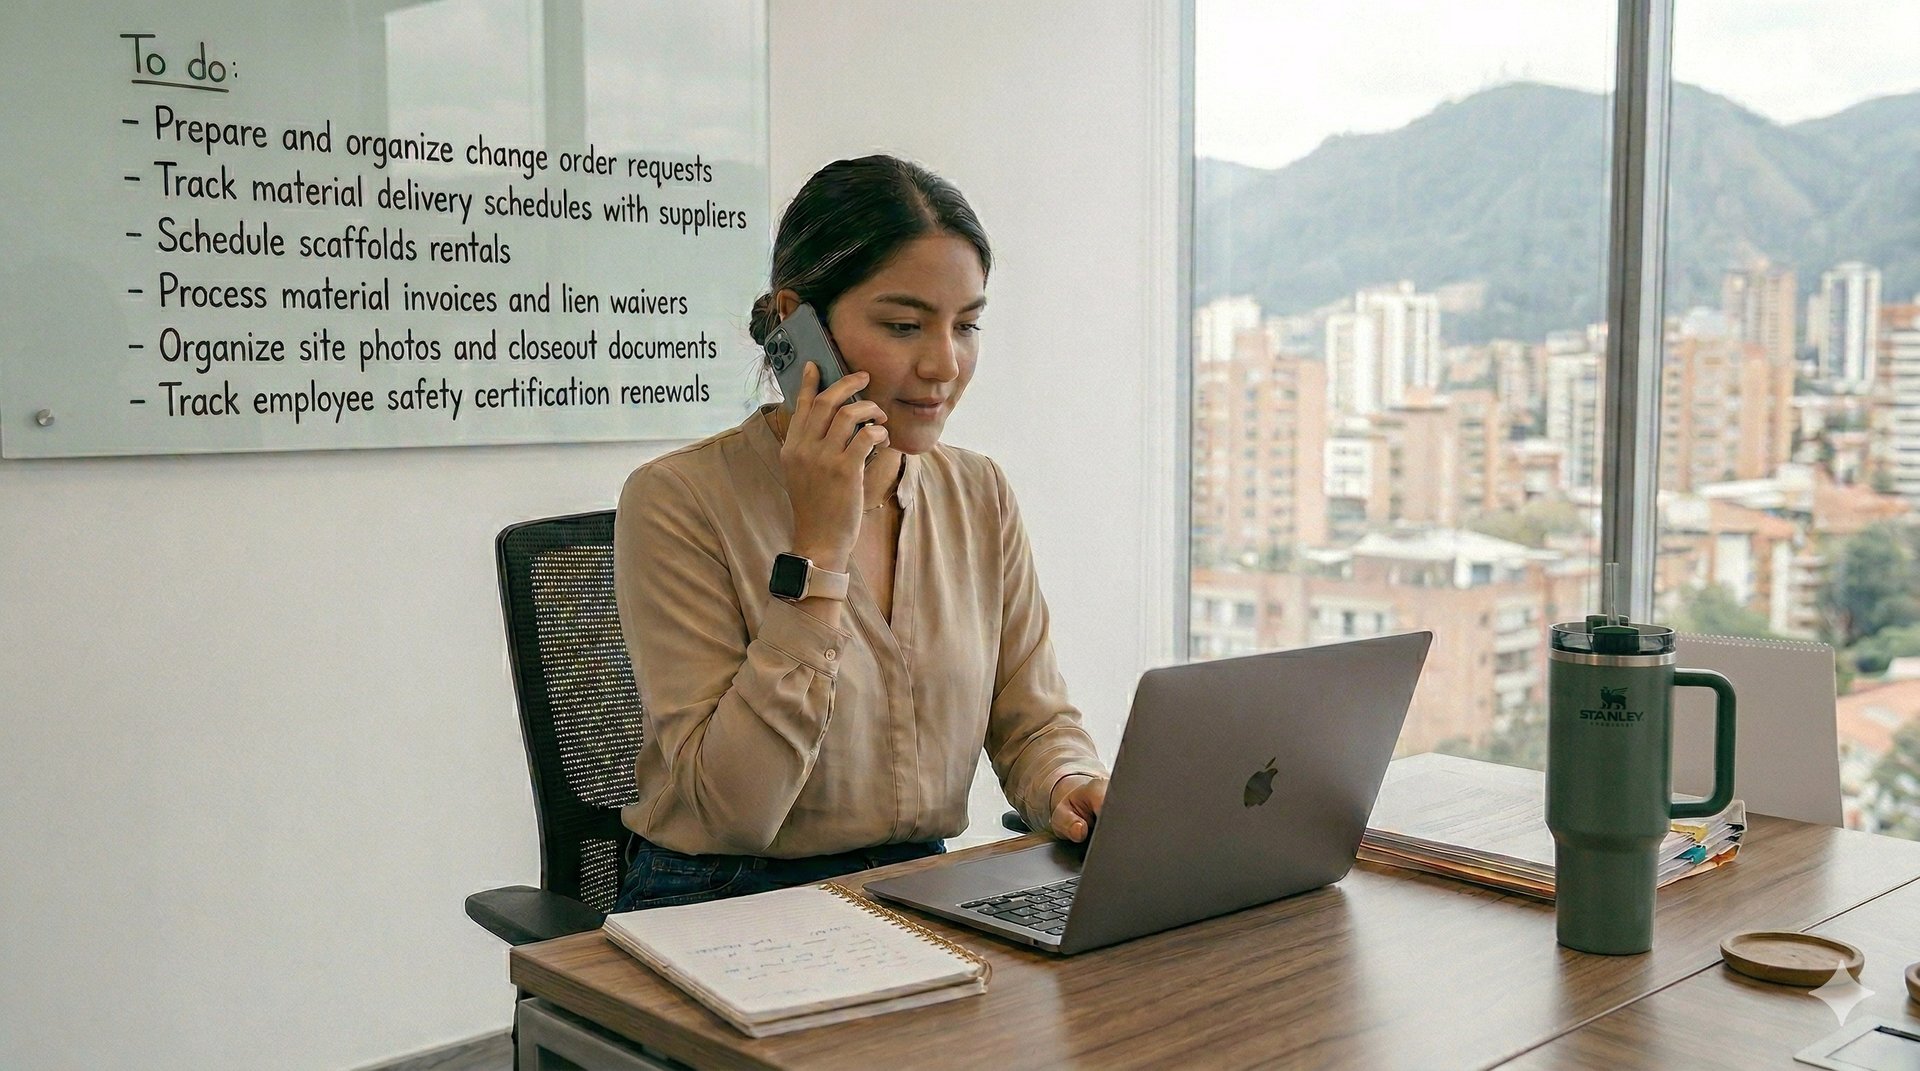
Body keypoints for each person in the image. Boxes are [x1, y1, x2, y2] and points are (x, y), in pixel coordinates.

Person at [610, 155, 1108, 912]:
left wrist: (1068, 782)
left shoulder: (978, 493)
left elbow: (1032, 717)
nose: (944, 364)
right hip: (724, 898)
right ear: (796, 324)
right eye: (904, 325)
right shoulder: (677, 500)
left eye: (966, 325)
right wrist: (817, 551)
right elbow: (733, 810)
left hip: (917, 885)